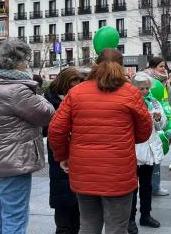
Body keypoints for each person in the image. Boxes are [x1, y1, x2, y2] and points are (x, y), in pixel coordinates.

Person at [49, 49, 152, 234]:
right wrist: (125, 138)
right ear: (121, 66)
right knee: (117, 227)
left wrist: (63, 156)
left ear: (96, 64)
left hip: (84, 170)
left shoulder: (76, 92)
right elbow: (145, 131)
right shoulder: (131, 93)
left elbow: (56, 129)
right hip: (119, 171)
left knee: (88, 225)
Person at [0, 39, 55, 234]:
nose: (27, 64)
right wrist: (38, 93)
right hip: (11, 164)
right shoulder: (17, 90)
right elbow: (47, 113)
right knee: (14, 218)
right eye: (25, 60)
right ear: (16, 61)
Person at [44, 68, 84, 234]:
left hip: (79, 155)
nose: (75, 89)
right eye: (72, 86)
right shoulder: (50, 104)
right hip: (60, 156)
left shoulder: (80, 101)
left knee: (79, 205)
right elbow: (48, 131)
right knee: (63, 201)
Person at [129, 73, 168, 234]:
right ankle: (130, 219)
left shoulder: (154, 102)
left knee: (147, 185)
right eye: (141, 88)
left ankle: (146, 215)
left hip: (149, 150)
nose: (145, 91)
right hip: (133, 151)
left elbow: (162, 126)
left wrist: (158, 118)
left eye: (147, 88)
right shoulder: (129, 102)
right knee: (131, 188)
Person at [144, 57, 171, 194]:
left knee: (156, 154)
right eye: (161, 66)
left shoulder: (164, 82)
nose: (163, 69)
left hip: (159, 115)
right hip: (144, 134)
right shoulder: (145, 80)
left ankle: (155, 186)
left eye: (164, 66)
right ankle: (150, 186)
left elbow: (167, 98)